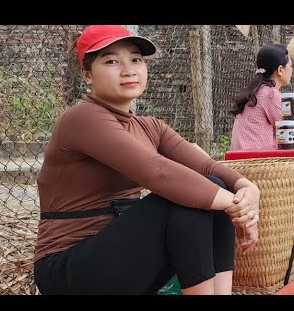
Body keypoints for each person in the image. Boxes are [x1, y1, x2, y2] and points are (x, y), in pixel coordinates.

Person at [33, 25, 261, 295]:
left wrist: (247, 188)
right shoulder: (81, 118)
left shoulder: (150, 127)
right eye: (111, 61)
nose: (128, 69)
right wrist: (235, 206)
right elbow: (158, 173)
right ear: (87, 75)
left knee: (210, 184)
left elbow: (207, 166)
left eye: (136, 60)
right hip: (69, 268)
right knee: (186, 199)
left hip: (122, 257)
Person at [230, 43, 294, 232]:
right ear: (280, 70)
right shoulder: (270, 94)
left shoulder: (256, 92)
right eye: (290, 66)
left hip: (243, 158)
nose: (291, 70)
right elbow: (290, 126)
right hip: (260, 160)